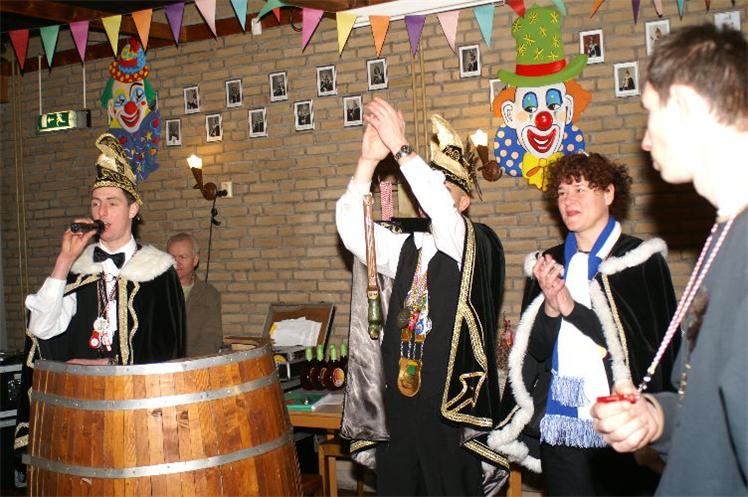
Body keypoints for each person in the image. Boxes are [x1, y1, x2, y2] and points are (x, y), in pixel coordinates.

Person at [591, 24, 748, 496]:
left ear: (685, 105)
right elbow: (709, 408)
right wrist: (655, 417)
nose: (644, 140)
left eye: (650, 112)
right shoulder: (725, 231)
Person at [336, 97, 508, 495]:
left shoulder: (471, 242)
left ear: (464, 201)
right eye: (430, 185)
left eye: (446, 187)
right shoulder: (407, 247)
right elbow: (352, 232)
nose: (431, 194)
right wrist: (366, 163)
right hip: (400, 398)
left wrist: (401, 147)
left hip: (448, 408)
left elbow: (442, 212)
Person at [489, 152, 678, 495]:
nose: (568, 200)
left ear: (608, 193)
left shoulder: (639, 262)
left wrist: (571, 308)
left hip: (623, 425)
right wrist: (551, 306)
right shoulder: (548, 263)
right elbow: (537, 353)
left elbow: (641, 350)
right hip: (561, 426)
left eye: (579, 189)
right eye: (561, 192)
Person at [14, 133, 185, 454]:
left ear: (133, 209)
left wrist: (110, 364)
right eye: (96, 203)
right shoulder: (79, 269)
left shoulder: (158, 271)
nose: (101, 212)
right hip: (82, 409)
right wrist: (64, 260)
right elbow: (40, 330)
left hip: (136, 411)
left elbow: (167, 349)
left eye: (112, 203)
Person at [167, 232, 223, 357]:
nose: (176, 263)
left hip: (194, 364)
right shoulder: (155, 292)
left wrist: (186, 362)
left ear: (195, 260)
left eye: (182, 257)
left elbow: (211, 338)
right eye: (172, 257)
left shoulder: (209, 295)